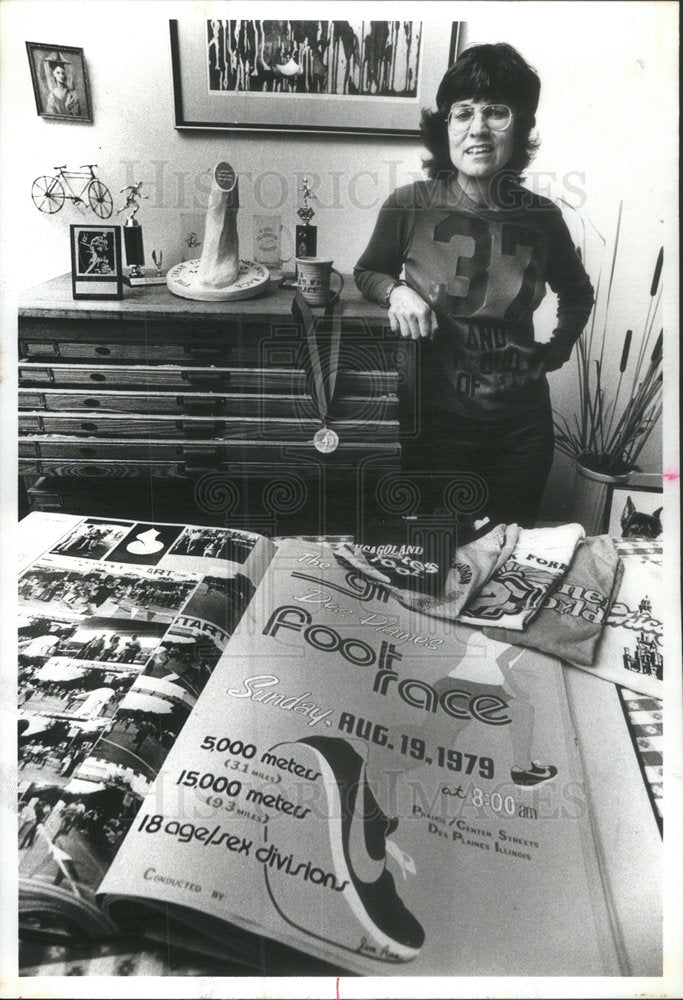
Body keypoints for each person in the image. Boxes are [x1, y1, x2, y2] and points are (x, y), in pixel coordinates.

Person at [354, 43, 594, 527]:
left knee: (506, 561)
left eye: (496, 112)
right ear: (445, 129)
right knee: (435, 559)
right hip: (436, 424)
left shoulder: (544, 217)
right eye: (463, 113)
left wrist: (557, 350)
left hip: (522, 430)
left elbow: (577, 292)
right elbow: (367, 272)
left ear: (521, 127)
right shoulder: (409, 205)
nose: (478, 128)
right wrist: (397, 291)